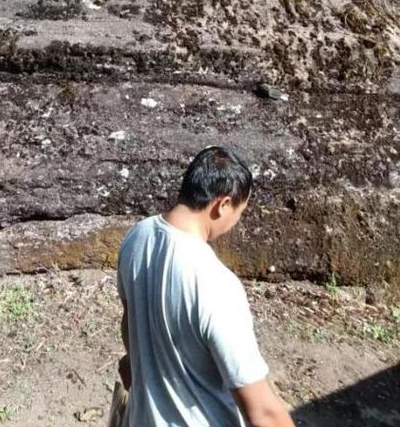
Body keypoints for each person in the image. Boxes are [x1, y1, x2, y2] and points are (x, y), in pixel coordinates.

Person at [116, 146, 295, 427]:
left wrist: (138, 367)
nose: (236, 222)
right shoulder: (216, 284)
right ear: (222, 205)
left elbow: (129, 322)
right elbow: (261, 411)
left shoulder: (137, 237)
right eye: (239, 211)